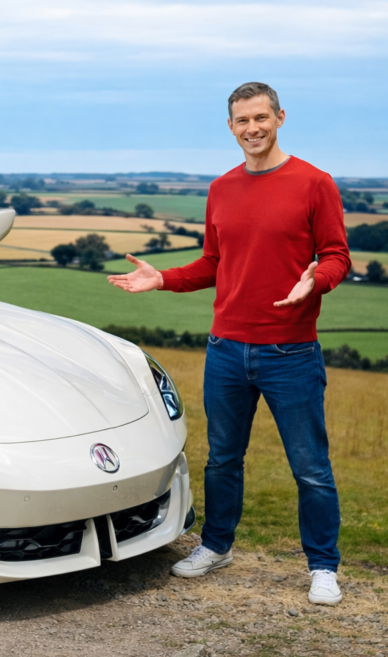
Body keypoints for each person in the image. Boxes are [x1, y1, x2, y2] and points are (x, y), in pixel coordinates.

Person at [107, 82, 351, 606]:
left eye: (261, 117)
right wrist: (163, 278)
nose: (253, 128)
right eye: (242, 120)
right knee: (222, 460)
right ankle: (216, 546)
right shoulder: (221, 189)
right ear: (231, 126)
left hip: (291, 353)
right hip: (226, 351)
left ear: (280, 118)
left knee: (310, 467)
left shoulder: (315, 183)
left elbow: (336, 255)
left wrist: (317, 279)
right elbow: (214, 264)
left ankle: (323, 566)